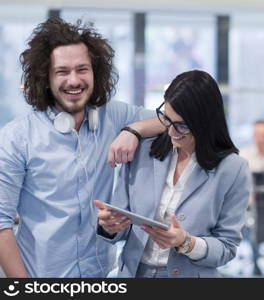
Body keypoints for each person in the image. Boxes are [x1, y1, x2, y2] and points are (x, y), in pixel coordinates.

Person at [0, 18, 164, 278]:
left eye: (82, 69)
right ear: (46, 77)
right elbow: (1, 224)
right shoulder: (16, 138)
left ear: (95, 73)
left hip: (99, 276)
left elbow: (175, 119)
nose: (74, 81)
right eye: (62, 71)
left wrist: (134, 130)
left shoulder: (115, 116)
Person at [94, 70, 250, 278]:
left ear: (205, 123)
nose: (171, 132)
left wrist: (186, 243)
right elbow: (123, 226)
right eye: (167, 119)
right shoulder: (143, 152)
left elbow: (227, 247)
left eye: (182, 126)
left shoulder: (233, 169)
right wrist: (110, 226)